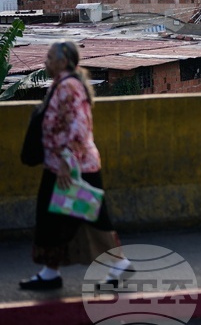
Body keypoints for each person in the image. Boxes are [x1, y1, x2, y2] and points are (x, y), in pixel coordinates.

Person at [19, 41, 132, 291]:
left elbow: (79, 128)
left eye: (49, 58)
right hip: (61, 164)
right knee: (55, 218)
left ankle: (118, 265)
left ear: (63, 61)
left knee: (90, 217)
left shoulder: (69, 86)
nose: (45, 62)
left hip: (73, 166)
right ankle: (51, 271)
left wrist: (65, 163)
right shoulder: (63, 84)